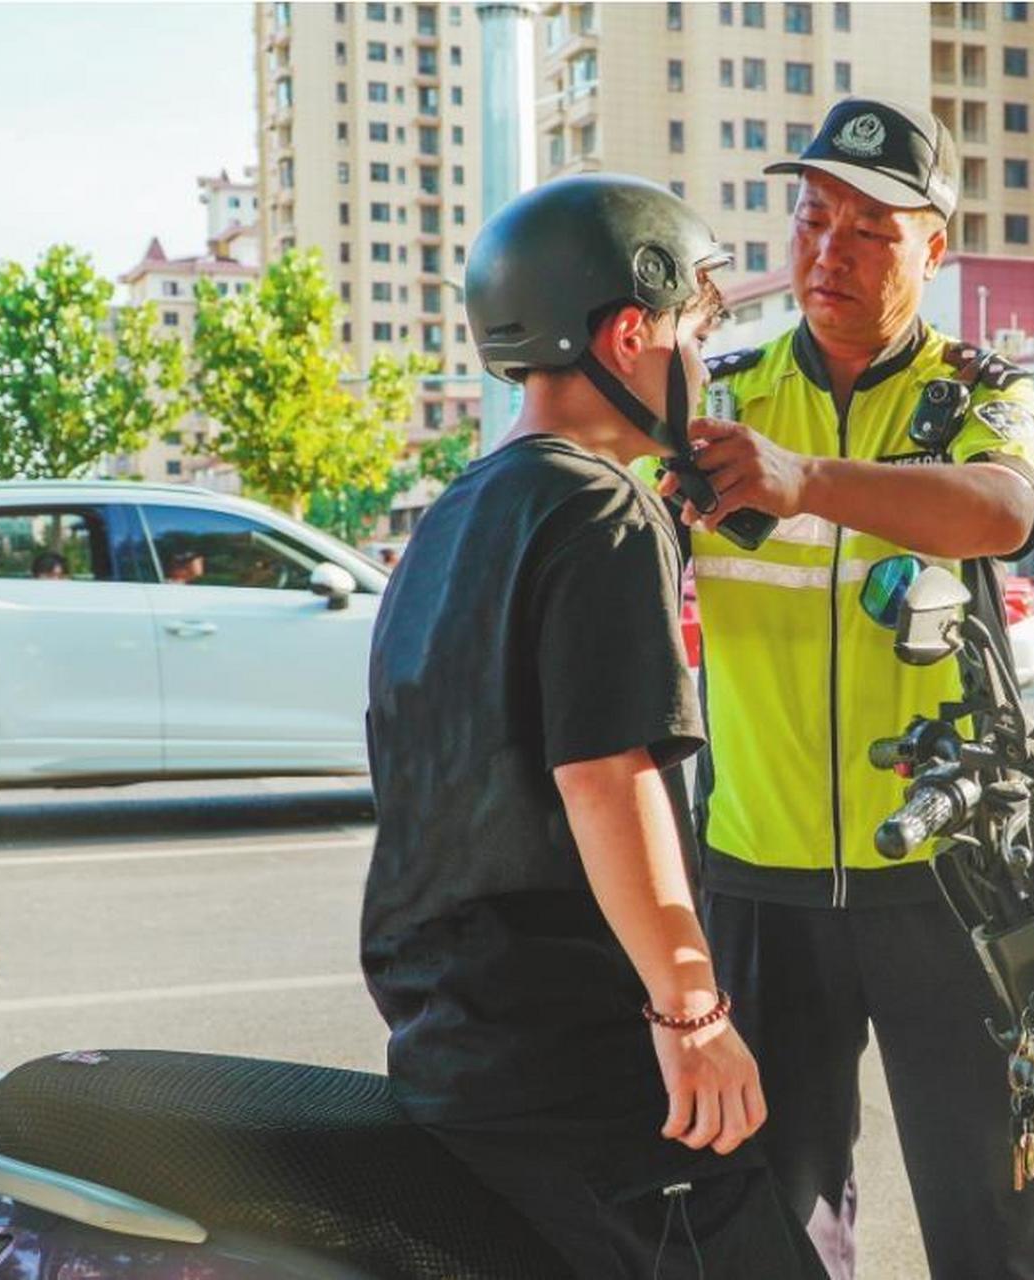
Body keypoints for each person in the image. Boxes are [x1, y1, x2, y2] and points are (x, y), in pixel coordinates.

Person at [360, 174, 823, 1279]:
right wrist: (693, 1015)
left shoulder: (454, 515)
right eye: (693, 331)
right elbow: (605, 778)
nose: (703, 361)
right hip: (577, 1051)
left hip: (453, 1033)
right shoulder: (602, 511)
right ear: (629, 333)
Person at [663, 97, 1034, 1278]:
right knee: (774, 1217)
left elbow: (1002, 509)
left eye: (871, 231)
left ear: (934, 250)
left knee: (991, 1203)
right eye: (811, 217)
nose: (828, 250)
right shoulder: (717, 398)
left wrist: (805, 480)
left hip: (942, 878)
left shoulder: (974, 390)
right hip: (757, 869)